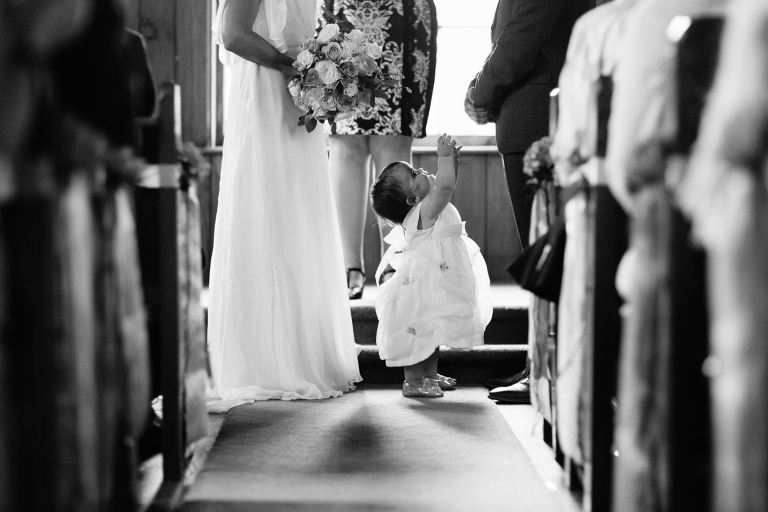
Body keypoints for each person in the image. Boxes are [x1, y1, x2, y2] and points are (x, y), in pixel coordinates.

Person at [206, 0, 362, 412]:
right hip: (264, 89)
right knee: (267, 202)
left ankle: (302, 350)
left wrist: (326, 61)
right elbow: (233, 33)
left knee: (299, 213)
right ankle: (263, 359)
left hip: (298, 90)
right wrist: (285, 63)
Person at [464, 0, 589, 401]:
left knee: (545, 255)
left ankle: (548, 371)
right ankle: (541, 365)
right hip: (531, 115)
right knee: (542, 253)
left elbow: (518, 38)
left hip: (537, 115)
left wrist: (480, 92)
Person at [323, 0, 438, 299]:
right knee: (346, 148)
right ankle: (350, 267)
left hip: (402, 21)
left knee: (394, 146)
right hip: (342, 17)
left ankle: (395, 262)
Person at [370, 134, 492, 397]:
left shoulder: (426, 205)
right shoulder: (424, 212)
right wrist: (444, 158)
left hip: (437, 279)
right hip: (424, 285)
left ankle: (429, 375)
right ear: (412, 200)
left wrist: (453, 160)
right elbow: (446, 188)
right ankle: (413, 382)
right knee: (419, 330)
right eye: (415, 173)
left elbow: (448, 185)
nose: (423, 170)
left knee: (433, 329)